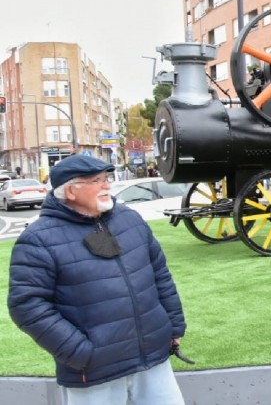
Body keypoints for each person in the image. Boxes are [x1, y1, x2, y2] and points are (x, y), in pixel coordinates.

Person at [7, 154, 187, 405]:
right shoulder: (38, 239)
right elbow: (27, 305)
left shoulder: (130, 220)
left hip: (153, 359)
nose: (107, 186)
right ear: (70, 191)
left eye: (106, 179)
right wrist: (80, 353)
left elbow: (160, 275)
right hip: (94, 372)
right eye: (96, 181)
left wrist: (174, 326)